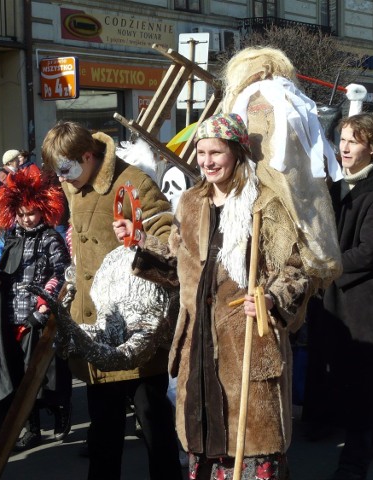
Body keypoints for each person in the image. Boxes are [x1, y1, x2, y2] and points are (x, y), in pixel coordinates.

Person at [116, 113, 314, 479]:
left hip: (246, 338)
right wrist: (140, 241)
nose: (207, 161)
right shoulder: (191, 203)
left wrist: (271, 299)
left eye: (216, 153)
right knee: (205, 438)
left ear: (237, 154)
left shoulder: (264, 203)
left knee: (251, 446)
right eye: (201, 152)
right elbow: (178, 262)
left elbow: (296, 268)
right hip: (200, 343)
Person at [40, 121, 181, 480]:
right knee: (103, 435)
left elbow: (170, 241)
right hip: (97, 328)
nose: (64, 179)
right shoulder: (75, 182)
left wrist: (142, 237)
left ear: (88, 156)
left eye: (68, 169)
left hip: (136, 329)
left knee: (155, 429)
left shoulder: (134, 181)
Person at [303, 113, 373, 480]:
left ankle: (357, 456)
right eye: (341, 139)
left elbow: (369, 252)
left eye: (353, 141)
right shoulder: (341, 186)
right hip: (335, 293)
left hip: (362, 298)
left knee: (359, 372)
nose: (344, 147)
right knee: (337, 366)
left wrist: (323, 266)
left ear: (371, 148)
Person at [0, 167, 71, 451]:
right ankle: (31, 427)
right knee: (18, 375)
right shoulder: (12, 237)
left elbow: (61, 272)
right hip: (13, 316)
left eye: (32, 214)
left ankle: (61, 412)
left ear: (42, 211)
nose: (26, 219)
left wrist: (42, 305)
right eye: (22, 214)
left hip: (40, 317)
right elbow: (6, 272)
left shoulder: (51, 238)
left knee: (45, 375)